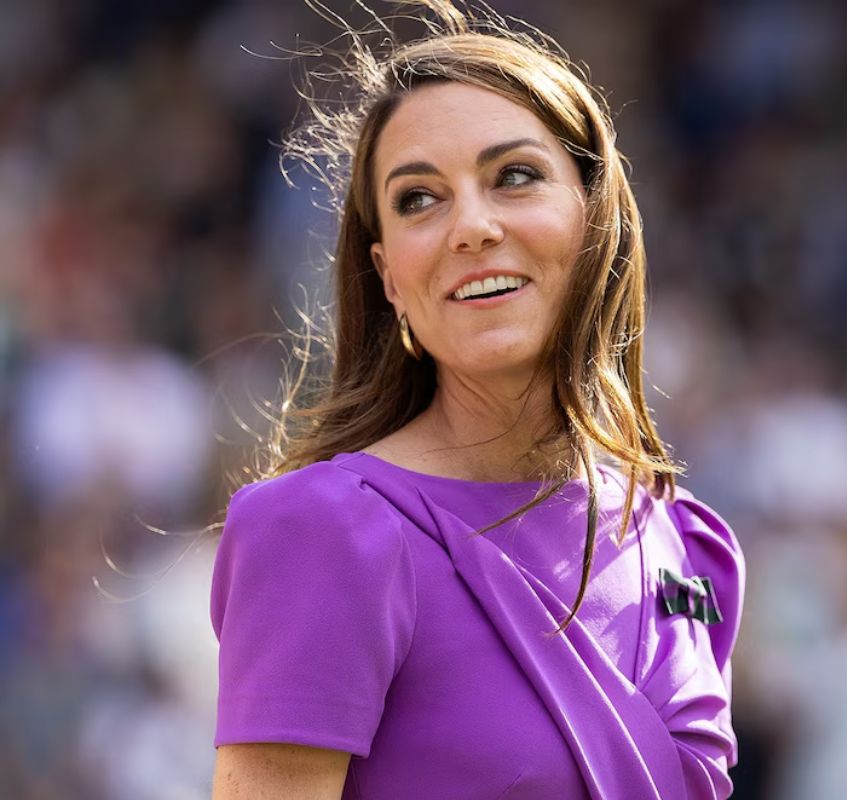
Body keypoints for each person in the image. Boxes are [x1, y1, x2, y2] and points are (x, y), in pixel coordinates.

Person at [208, 2, 745, 798]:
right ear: (389, 277)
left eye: (514, 177)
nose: (472, 226)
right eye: (419, 199)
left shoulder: (687, 543)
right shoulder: (323, 531)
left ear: (596, 216)